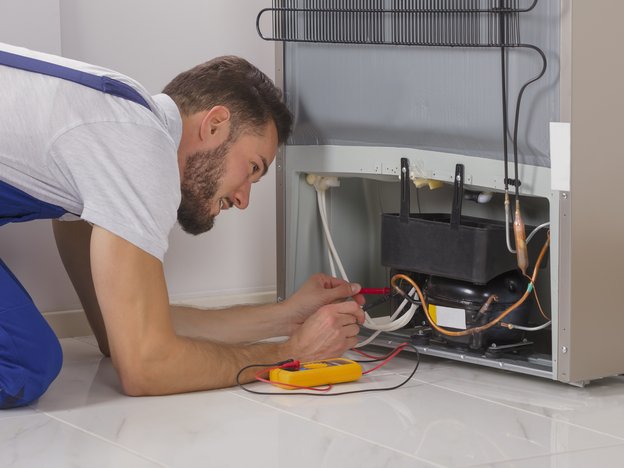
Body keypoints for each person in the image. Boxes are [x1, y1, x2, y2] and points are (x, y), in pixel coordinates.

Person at [0, 42, 365, 409]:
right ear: (215, 124)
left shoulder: (114, 135)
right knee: (23, 362)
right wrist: (290, 353)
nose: (243, 199)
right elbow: (144, 366)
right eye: (253, 169)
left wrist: (286, 317)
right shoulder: (139, 146)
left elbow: (122, 331)